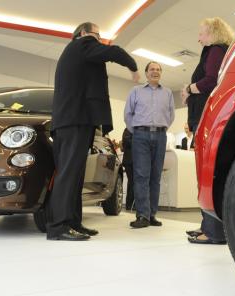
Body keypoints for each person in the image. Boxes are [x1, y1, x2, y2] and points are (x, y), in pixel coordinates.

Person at [47, 21, 140, 241]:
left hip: (77, 120)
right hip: (73, 120)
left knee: (76, 175)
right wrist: (133, 66)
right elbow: (114, 52)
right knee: (69, 174)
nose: (100, 40)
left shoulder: (78, 53)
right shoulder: (82, 44)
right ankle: (58, 226)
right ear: (83, 33)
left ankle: (73, 222)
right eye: (97, 35)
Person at [181, 17, 234, 244]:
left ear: (212, 32)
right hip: (205, 117)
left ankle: (212, 231)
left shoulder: (214, 50)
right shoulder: (219, 51)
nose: (199, 38)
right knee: (208, 173)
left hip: (205, 118)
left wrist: (188, 88)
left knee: (206, 174)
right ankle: (208, 226)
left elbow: (211, 80)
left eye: (202, 33)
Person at [124, 61, 175, 228]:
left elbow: (170, 115)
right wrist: (138, 131)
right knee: (141, 176)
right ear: (146, 73)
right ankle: (142, 216)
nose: (156, 72)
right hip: (140, 136)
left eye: (159, 69)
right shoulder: (136, 91)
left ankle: (152, 215)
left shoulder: (167, 93)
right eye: (152, 69)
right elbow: (128, 114)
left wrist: (160, 128)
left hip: (160, 136)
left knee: (155, 177)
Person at [121, 128, 135, 210]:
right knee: (132, 182)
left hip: (133, 161)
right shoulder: (128, 130)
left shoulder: (132, 130)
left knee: (133, 182)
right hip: (129, 161)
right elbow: (127, 142)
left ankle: (131, 204)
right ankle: (129, 204)